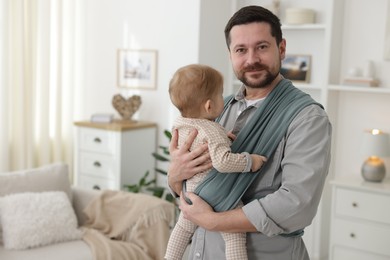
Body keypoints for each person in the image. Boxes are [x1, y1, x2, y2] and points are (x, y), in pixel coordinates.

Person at [167, 5, 332, 260]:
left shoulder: (306, 117)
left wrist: (213, 221)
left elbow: (297, 205)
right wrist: (175, 175)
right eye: (241, 50)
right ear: (231, 55)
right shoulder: (213, 111)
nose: (251, 59)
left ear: (282, 48)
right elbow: (190, 185)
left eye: (262, 47)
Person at [164, 64, 267, 260]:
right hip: (215, 194)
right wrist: (249, 161)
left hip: (190, 193)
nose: (224, 98)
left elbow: (197, 144)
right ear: (209, 105)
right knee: (234, 235)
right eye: (220, 94)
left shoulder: (180, 123)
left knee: (183, 228)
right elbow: (222, 162)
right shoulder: (212, 131)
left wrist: (221, 138)